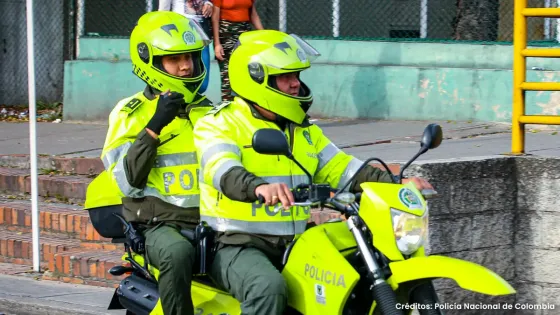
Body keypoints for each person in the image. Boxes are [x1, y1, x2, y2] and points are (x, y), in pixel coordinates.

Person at [192, 30, 435, 314]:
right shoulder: (220, 124)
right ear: (256, 78)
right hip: (237, 243)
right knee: (267, 288)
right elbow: (222, 171)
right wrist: (259, 188)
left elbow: (342, 168)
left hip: (296, 240)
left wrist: (396, 182)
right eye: (286, 77)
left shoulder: (304, 130)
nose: (296, 84)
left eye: (297, 75)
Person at [85, 11, 213, 315]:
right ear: (151, 62)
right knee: (176, 254)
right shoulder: (129, 114)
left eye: (190, 58)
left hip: (213, 219)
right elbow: (127, 181)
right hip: (160, 224)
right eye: (174, 59)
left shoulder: (210, 111)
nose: (185, 66)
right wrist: (155, 127)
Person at [211, 0, 264, 101]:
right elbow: (215, 17)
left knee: (245, 71)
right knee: (227, 74)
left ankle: (243, 106)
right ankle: (227, 106)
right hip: (226, 32)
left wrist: (265, 34)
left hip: (245, 32)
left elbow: (253, 14)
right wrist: (217, 44)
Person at [158, 0, 214, 94]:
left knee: (202, 84)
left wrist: (209, 4)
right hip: (180, 32)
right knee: (181, 79)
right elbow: (163, 11)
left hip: (200, 33)